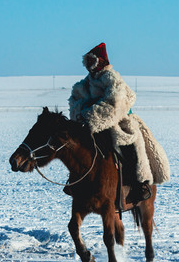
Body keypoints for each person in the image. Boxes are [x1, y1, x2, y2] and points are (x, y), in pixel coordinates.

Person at [69, 42, 171, 204]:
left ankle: (140, 184)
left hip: (119, 120)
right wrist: (82, 112)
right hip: (91, 122)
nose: (88, 65)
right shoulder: (84, 84)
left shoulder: (111, 78)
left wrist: (91, 112)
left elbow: (114, 101)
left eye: (91, 61)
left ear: (100, 61)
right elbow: (75, 101)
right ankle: (75, 181)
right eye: (87, 61)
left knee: (131, 143)